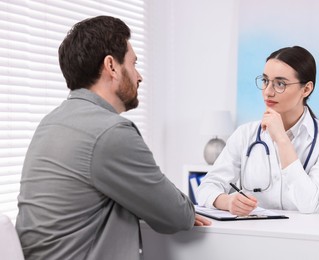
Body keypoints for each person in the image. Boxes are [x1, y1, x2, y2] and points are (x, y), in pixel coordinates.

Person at [15, 16, 210, 260]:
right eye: (133, 63)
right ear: (112, 66)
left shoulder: (51, 122)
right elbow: (176, 215)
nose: (139, 76)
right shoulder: (110, 132)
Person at [197, 46, 319, 215]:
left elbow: (308, 204)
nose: (268, 92)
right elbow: (206, 188)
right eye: (265, 81)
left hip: (306, 236)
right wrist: (227, 201)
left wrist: (282, 139)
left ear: (306, 89)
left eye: (280, 84)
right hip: (257, 234)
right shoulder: (245, 134)